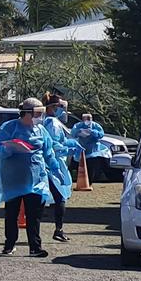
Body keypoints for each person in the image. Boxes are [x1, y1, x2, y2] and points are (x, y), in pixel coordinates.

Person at [0, 97, 66, 257]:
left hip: (36, 178)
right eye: (38, 113)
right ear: (27, 113)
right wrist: (10, 150)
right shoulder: (9, 127)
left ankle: (35, 247)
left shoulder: (41, 130)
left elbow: (48, 151)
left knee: (34, 214)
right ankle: (9, 244)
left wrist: (55, 168)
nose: (40, 116)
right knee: (12, 213)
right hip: (13, 179)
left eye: (42, 113)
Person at [41, 93, 79, 243]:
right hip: (53, 164)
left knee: (43, 198)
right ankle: (58, 229)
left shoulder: (46, 122)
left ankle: (49, 231)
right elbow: (54, 145)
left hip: (49, 164)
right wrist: (68, 146)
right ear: (54, 107)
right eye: (60, 107)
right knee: (60, 197)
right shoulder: (52, 123)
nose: (62, 110)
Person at [71, 113, 111, 185]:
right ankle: (81, 181)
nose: (87, 121)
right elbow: (73, 133)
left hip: (93, 151)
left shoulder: (96, 126)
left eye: (89, 119)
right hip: (82, 149)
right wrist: (80, 132)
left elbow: (101, 134)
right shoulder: (78, 125)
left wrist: (93, 132)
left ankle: (89, 182)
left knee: (91, 167)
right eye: (86, 119)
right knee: (79, 166)